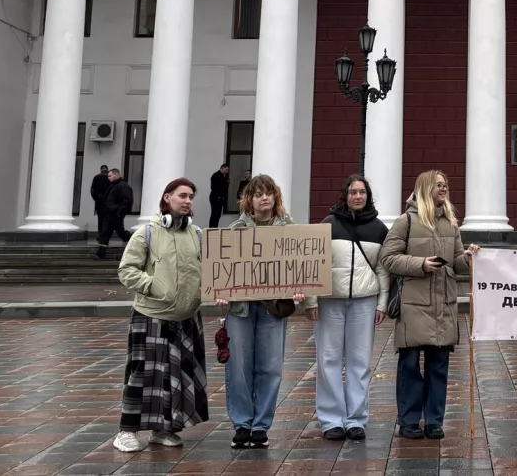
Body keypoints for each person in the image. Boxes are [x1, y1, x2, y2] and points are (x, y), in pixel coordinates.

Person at [380, 170, 480, 440]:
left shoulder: (450, 223)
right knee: (410, 365)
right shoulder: (406, 221)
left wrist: (467, 258)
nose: (444, 188)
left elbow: (456, 261)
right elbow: (388, 257)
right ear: (425, 188)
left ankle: (434, 421)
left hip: (443, 303)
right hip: (413, 303)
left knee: (438, 366)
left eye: (445, 185)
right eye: (438, 185)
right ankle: (409, 421)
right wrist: (420, 264)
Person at [113, 178, 209, 453]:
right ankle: (126, 431)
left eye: (191, 196)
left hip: (186, 318)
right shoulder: (146, 233)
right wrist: (154, 286)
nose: (188, 201)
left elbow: (209, 269)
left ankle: (163, 430)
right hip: (151, 315)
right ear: (167, 198)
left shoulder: (197, 235)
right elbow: (127, 270)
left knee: (175, 377)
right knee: (143, 374)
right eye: (182, 195)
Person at [216, 174, 309, 449]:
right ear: (249, 200)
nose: (264, 198)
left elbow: (300, 266)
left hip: (273, 308)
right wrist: (219, 289)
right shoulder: (235, 230)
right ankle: (242, 424)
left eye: (268, 193)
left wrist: (299, 289)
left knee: (270, 367)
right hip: (240, 307)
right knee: (239, 367)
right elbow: (223, 266)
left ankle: (260, 426)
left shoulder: (290, 230)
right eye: (258, 194)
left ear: (275, 197)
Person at [311, 175, 390, 441]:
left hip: (365, 301)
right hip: (330, 300)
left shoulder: (378, 229)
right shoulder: (328, 224)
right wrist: (311, 300)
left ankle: (356, 419)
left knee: (360, 362)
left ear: (368, 196)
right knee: (328, 360)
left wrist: (382, 303)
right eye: (353, 192)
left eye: (362, 192)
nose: (358, 196)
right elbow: (314, 263)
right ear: (345, 195)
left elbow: (382, 269)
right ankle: (331, 419)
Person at [96, 169, 135, 259]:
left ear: (116, 175)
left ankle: (135, 244)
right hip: (111, 213)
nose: (108, 178)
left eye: (110, 176)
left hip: (116, 214)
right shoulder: (114, 186)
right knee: (105, 232)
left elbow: (127, 201)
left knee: (120, 232)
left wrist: (119, 211)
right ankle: (100, 254)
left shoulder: (123, 186)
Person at [208, 164, 230, 229]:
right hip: (215, 198)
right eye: (226, 169)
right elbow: (214, 187)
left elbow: (224, 188)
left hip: (220, 198)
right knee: (215, 214)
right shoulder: (216, 175)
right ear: (222, 168)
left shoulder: (224, 177)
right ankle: (212, 228)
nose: (227, 171)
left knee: (218, 215)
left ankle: (215, 227)